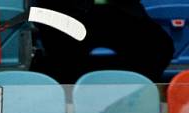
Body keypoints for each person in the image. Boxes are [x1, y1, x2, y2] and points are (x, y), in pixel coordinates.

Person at [30, 0, 174, 84]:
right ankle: (73, 95)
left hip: (118, 9)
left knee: (160, 47)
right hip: (63, 9)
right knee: (63, 56)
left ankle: (131, 90)